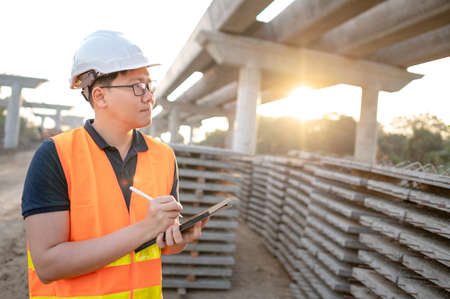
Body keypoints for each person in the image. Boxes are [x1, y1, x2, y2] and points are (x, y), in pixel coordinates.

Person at [21, 30, 207, 298]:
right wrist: (145, 227)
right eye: (137, 86)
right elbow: (48, 264)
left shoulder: (163, 156)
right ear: (100, 97)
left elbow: (162, 243)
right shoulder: (56, 155)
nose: (149, 96)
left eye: (149, 85)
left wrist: (178, 239)